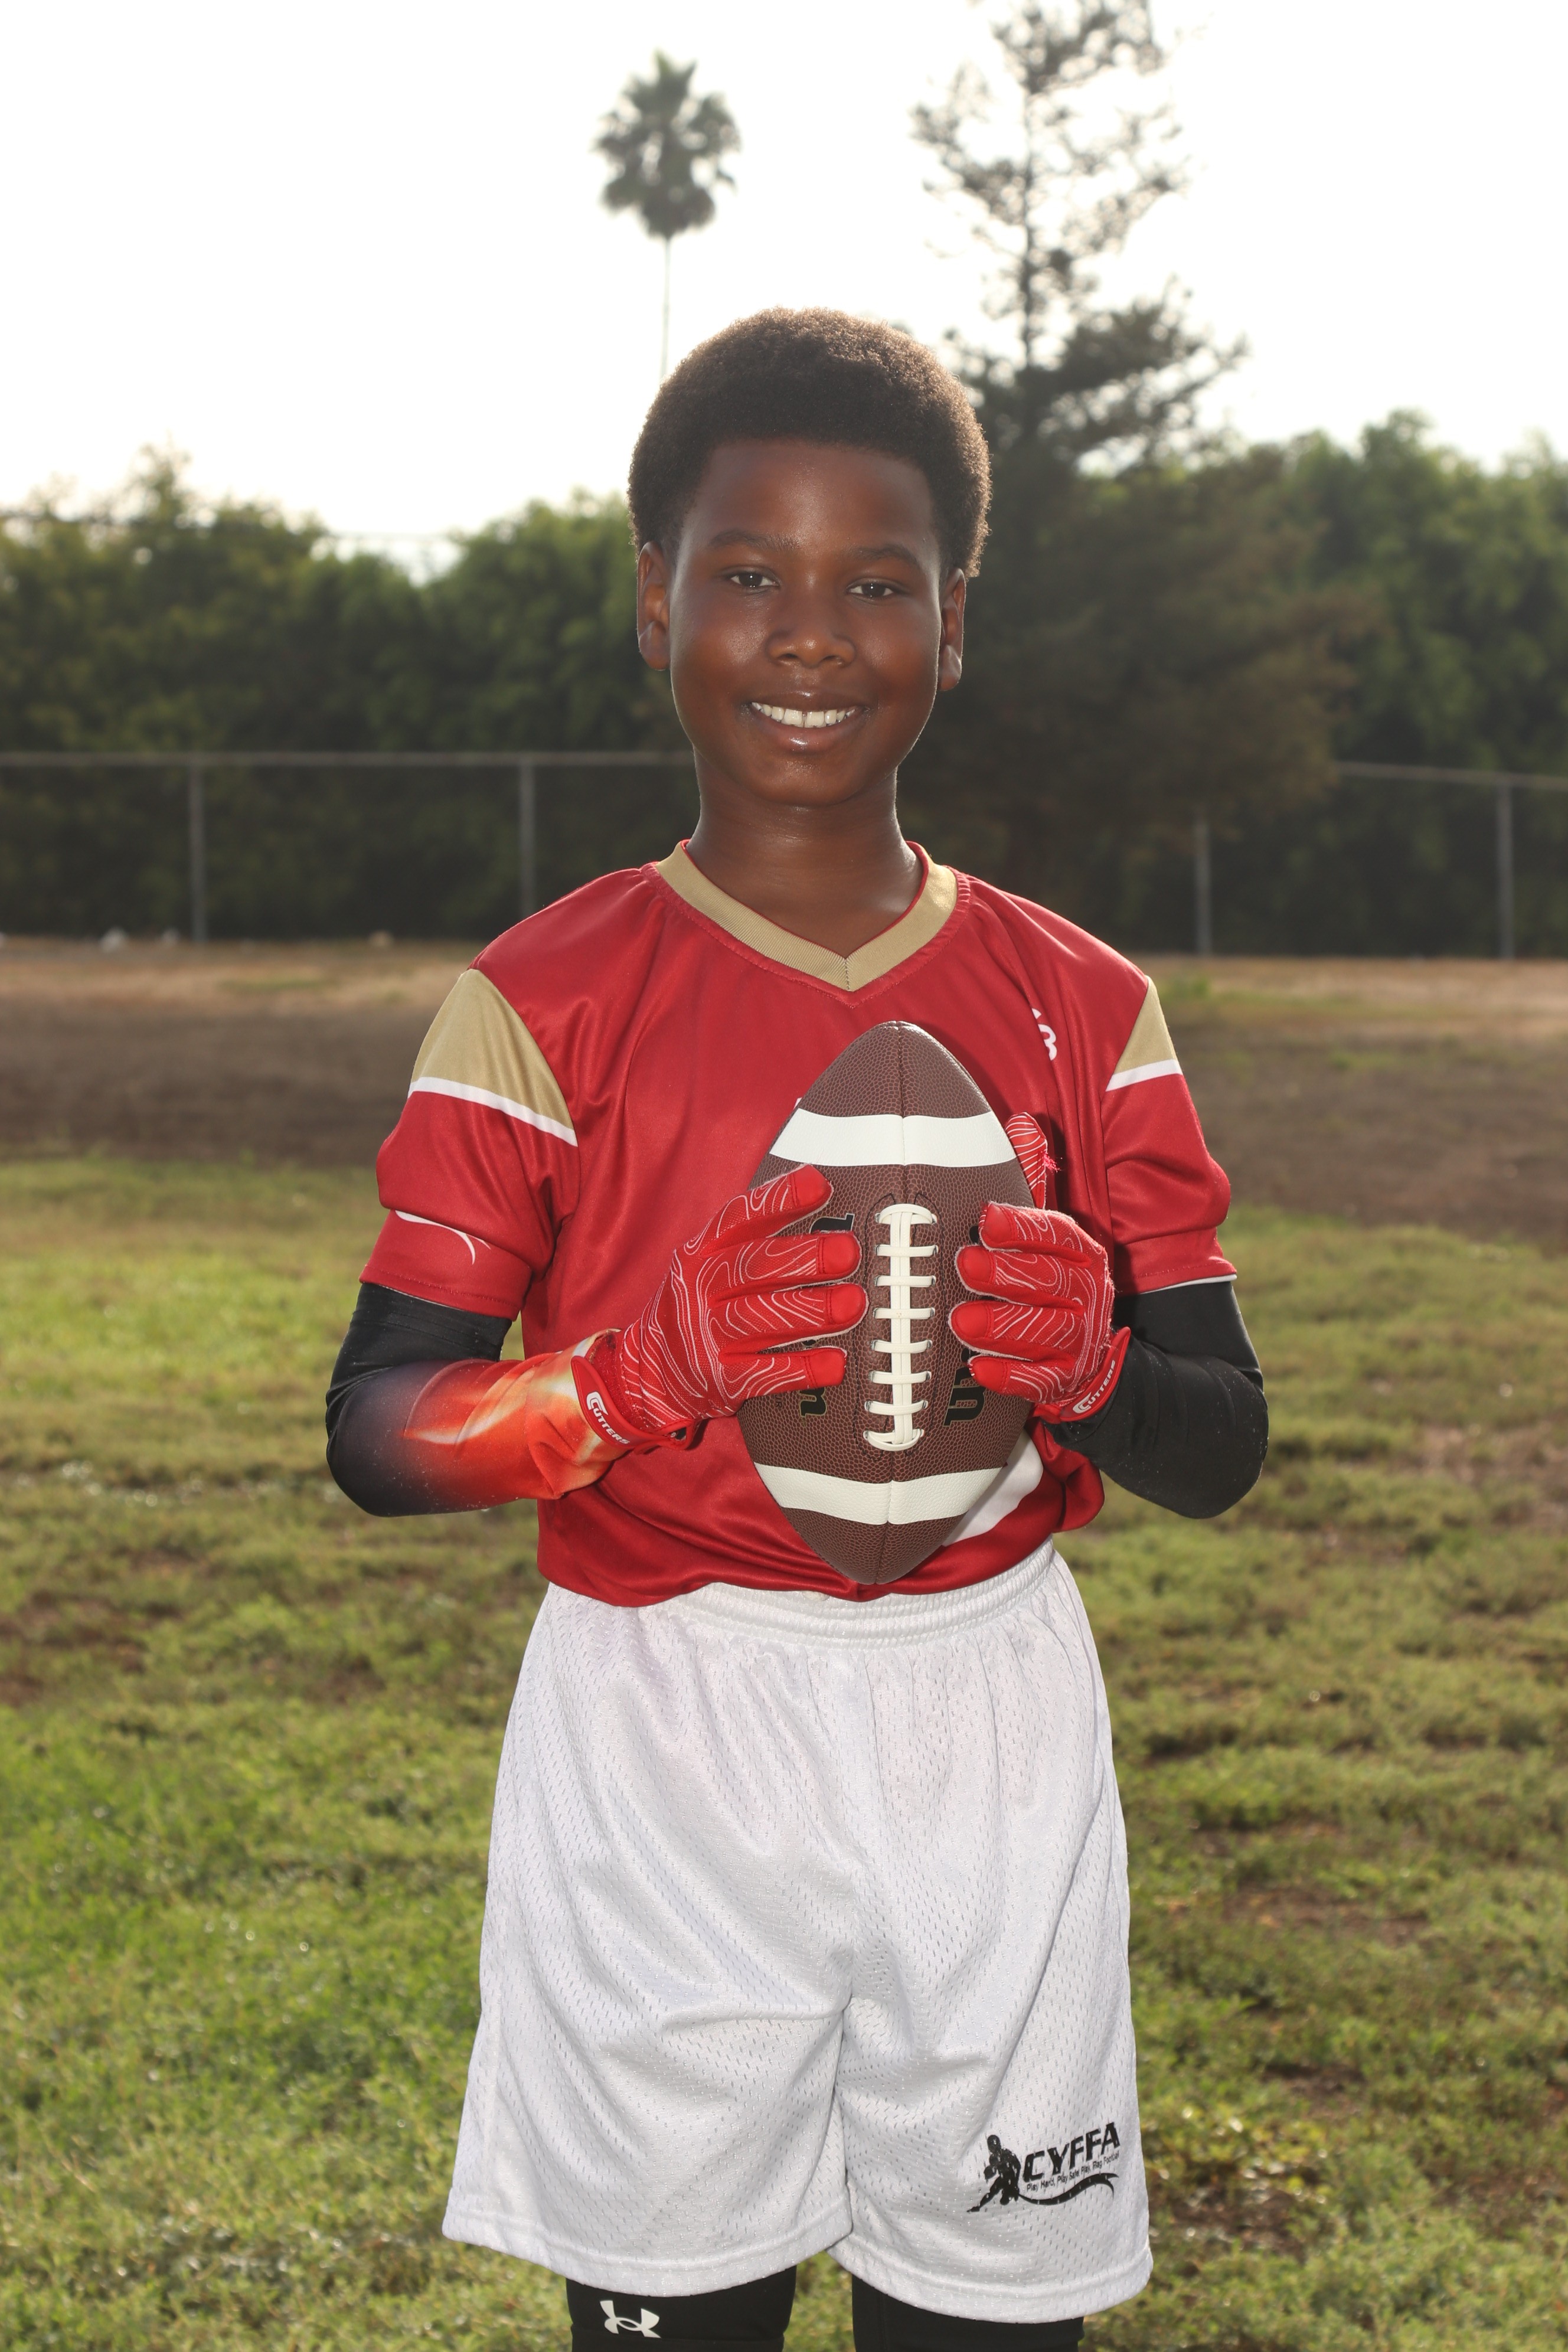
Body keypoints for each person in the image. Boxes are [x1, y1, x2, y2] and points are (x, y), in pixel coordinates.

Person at [326, 309, 1268, 2352]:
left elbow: (1226, 1438)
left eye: (879, 582)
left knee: (987, 2319)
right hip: (666, 1719)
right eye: (750, 572)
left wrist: (1097, 1371)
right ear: (654, 600)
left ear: (956, 621)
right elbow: (379, 1426)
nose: (814, 633)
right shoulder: (541, 998)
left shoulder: (1084, 1002)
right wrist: (629, 1383)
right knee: (679, 2316)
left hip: (987, 1714)